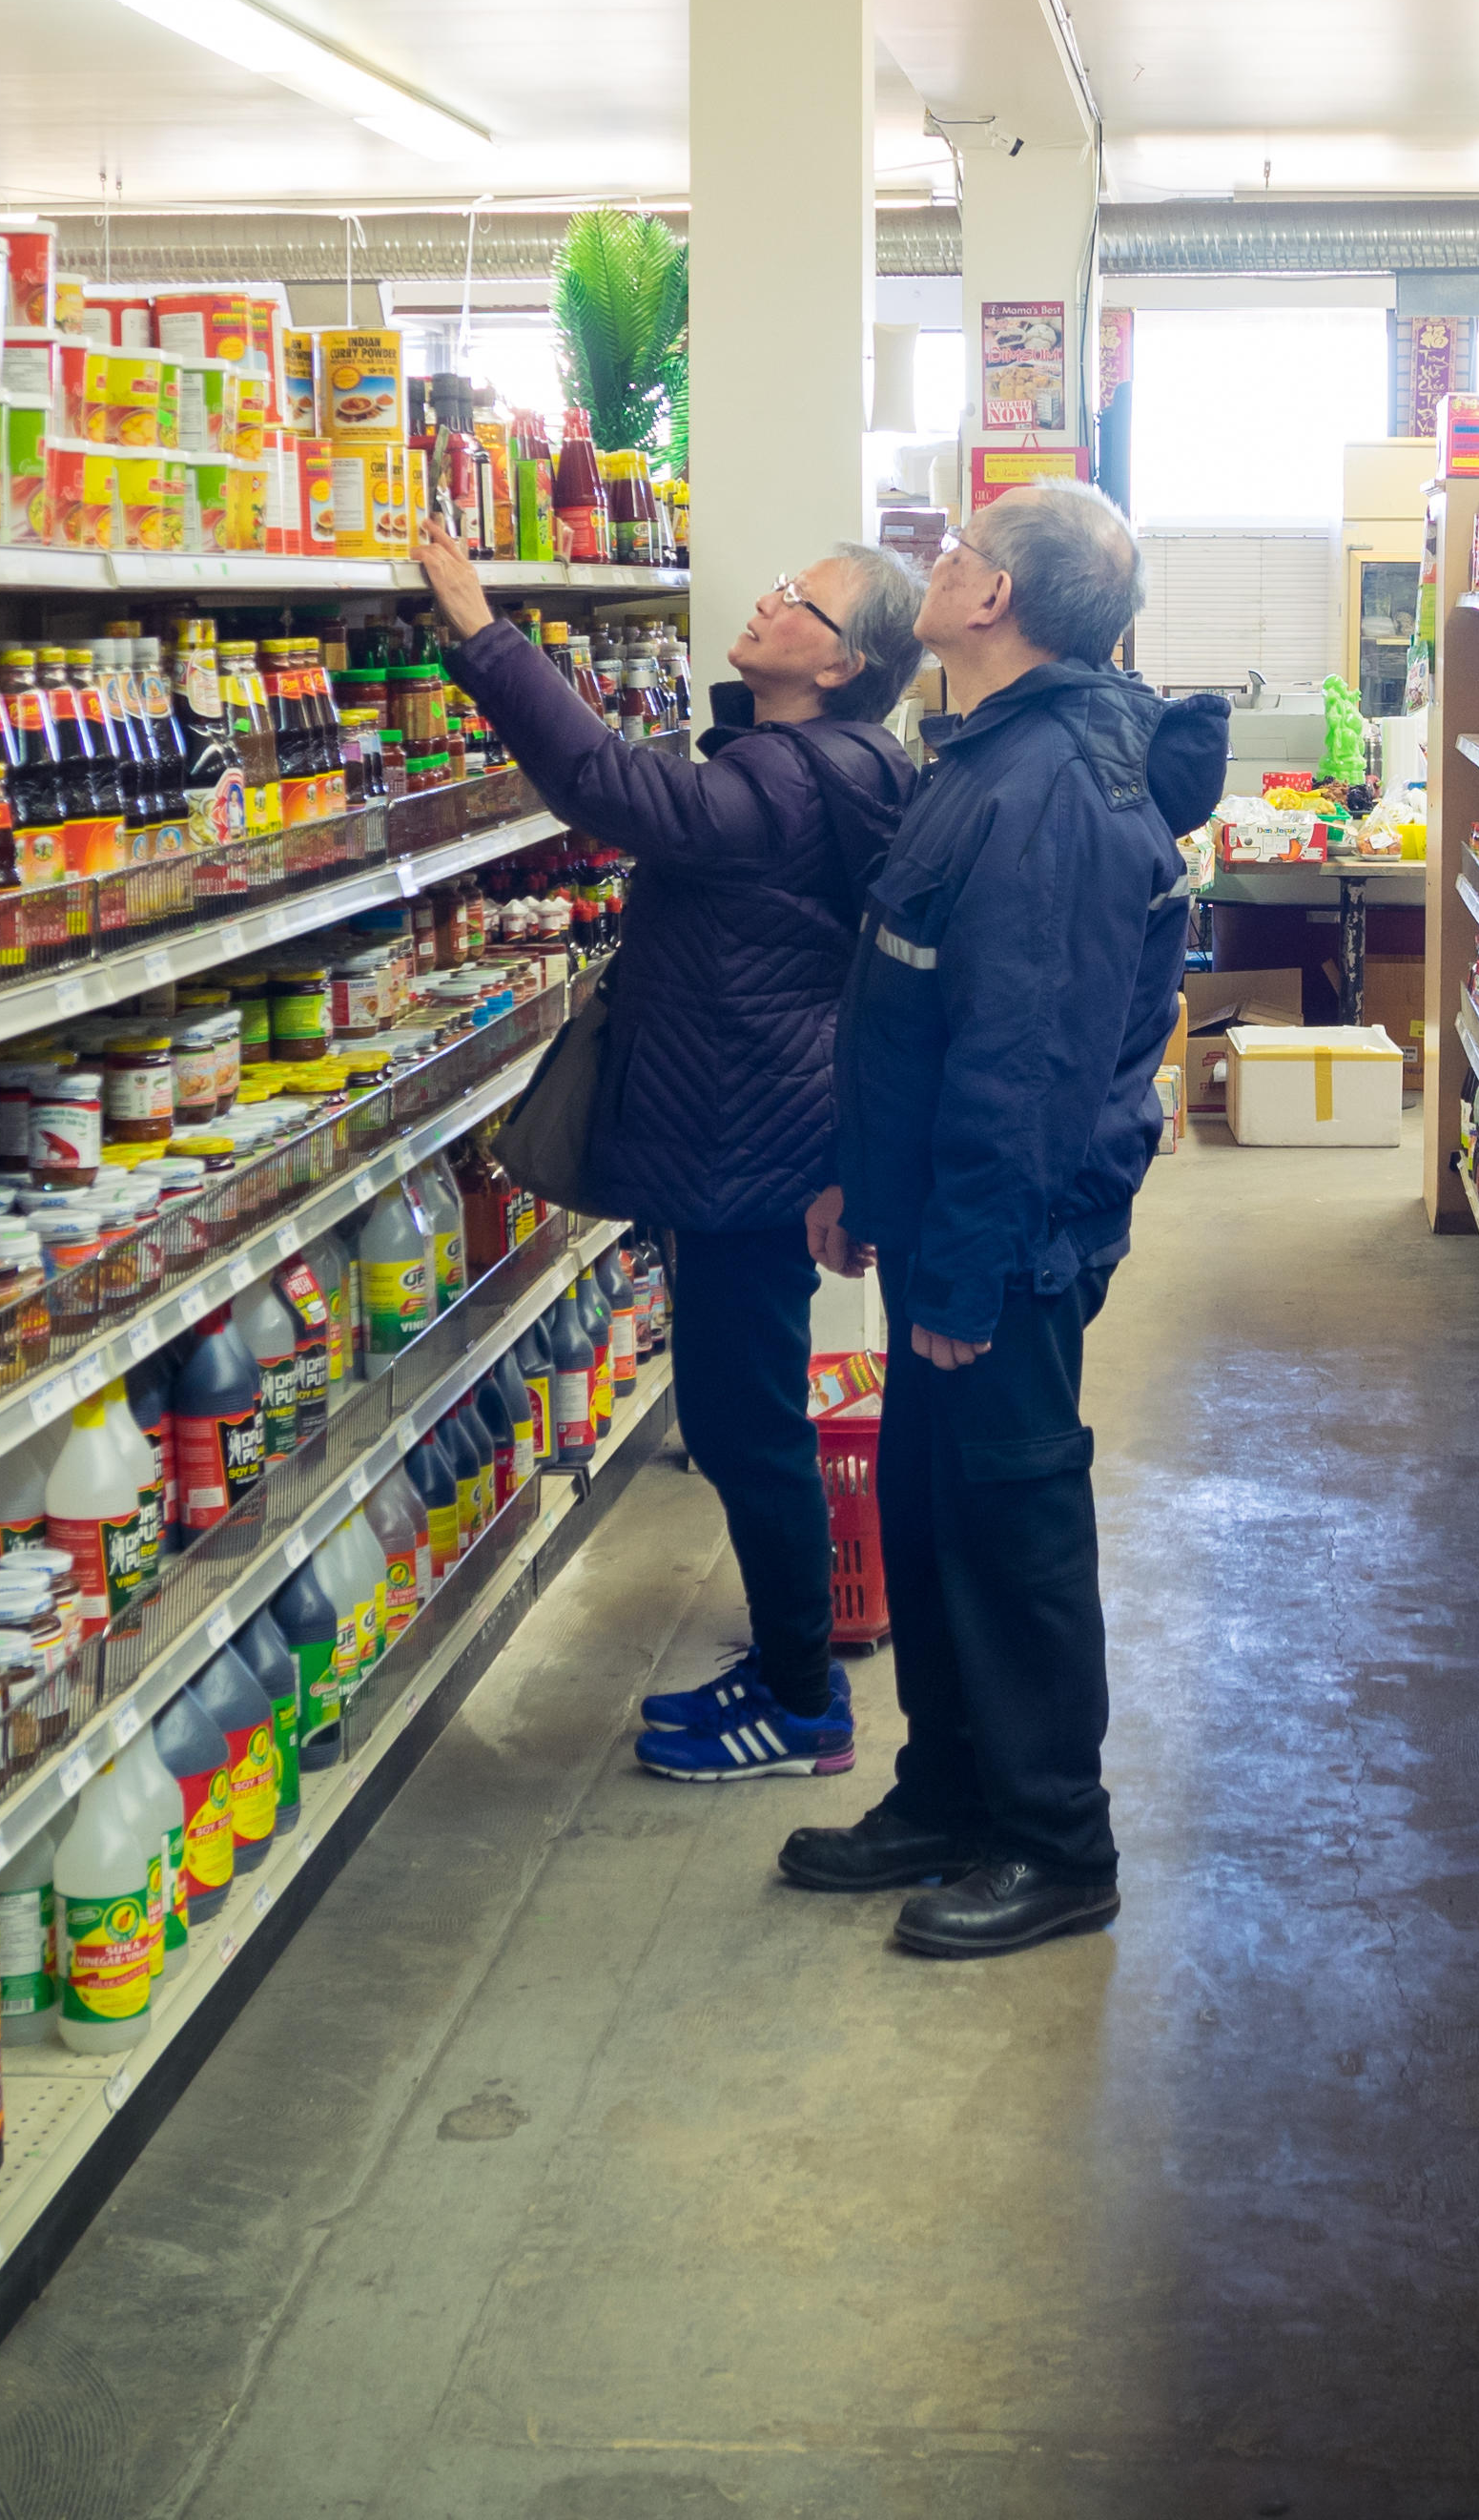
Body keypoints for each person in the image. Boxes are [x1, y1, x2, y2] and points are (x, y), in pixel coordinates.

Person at [786, 478, 1225, 1959]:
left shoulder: (1050, 795)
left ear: (997, 605)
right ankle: (950, 1790)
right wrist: (867, 1181)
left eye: (959, 552)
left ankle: (1055, 1840)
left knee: (1013, 1528)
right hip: (946, 1228)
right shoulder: (985, 753)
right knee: (928, 1513)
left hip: (1011, 1243)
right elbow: (916, 1004)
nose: (938, 563)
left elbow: (1023, 1071)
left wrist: (965, 1273)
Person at [415, 518, 922, 1783]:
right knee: (741, 1408)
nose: (770, 595)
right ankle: (787, 1669)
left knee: (746, 1421)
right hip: (757, 1126)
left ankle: (803, 1701)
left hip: (753, 1141)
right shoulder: (828, 762)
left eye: (800, 597)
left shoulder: (795, 777)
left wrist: (485, 636)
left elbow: (613, 790)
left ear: (843, 662)